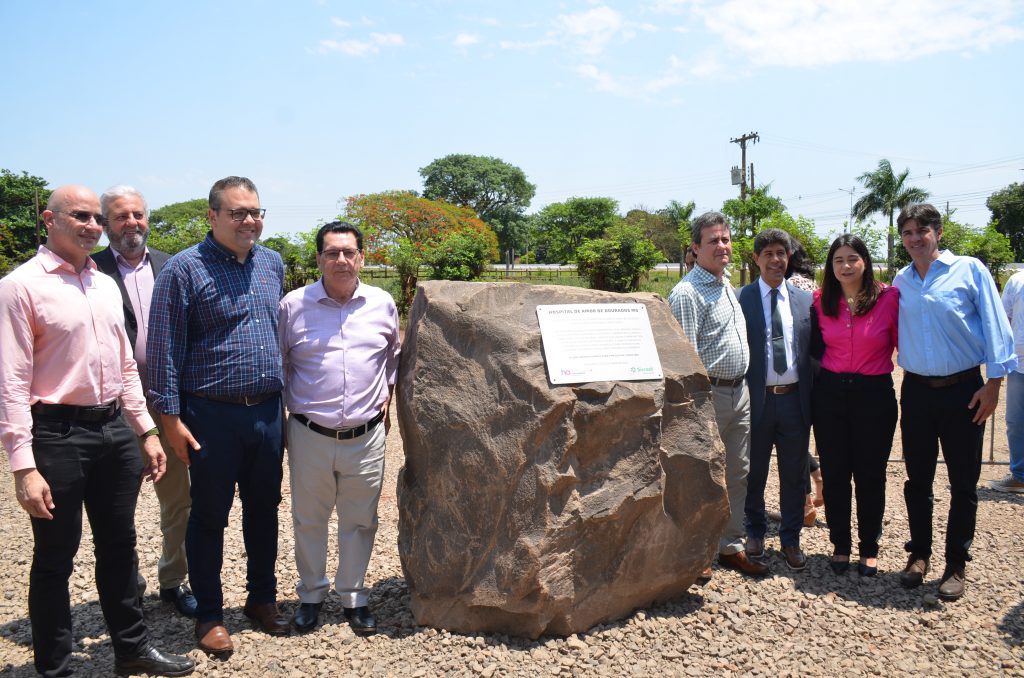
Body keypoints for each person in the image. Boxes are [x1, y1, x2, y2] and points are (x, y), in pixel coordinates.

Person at [0, 185, 194, 677]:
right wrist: (24, 467)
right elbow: (11, 382)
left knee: (119, 547)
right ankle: (56, 666)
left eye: (94, 219)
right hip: (57, 436)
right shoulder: (21, 287)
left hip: (113, 431)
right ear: (50, 220)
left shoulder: (103, 283)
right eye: (79, 216)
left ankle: (130, 650)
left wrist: (146, 432)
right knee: (55, 557)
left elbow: (126, 367)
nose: (91, 225)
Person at [148, 176, 288, 655]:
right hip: (210, 415)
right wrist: (170, 421)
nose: (249, 220)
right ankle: (209, 613)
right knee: (209, 516)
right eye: (237, 213)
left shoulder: (272, 264)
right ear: (212, 217)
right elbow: (164, 350)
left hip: (268, 411)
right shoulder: (184, 270)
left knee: (264, 509)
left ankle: (262, 598)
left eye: (255, 211)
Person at [280, 222, 400, 636]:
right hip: (310, 432)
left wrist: (387, 394)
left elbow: (393, 358)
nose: (341, 260)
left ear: (362, 257)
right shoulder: (293, 305)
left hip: (366, 435)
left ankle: (354, 596)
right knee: (308, 519)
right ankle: (311, 595)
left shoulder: (382, 303)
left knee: (360, 520)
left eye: (349, 252)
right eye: (332, 253)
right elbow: (282, 363)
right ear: (319, 260)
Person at [894, 203, 1016, 601]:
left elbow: (997, 326)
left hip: (965, 391)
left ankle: (956, 563)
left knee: (964, 483)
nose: (915, 238)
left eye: (922, 230)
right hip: (915, 393)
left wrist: (994, 384)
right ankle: (919, 555)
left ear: (938, 232)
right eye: (908, 233)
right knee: (918, 480)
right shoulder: (901, 280)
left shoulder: (970, 270)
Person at [93, 185, 196, 617]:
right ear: (104, 224)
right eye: (120, 216)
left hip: (167, 403)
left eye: (137, 214)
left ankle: (173, 580)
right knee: (117, 505)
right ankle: (126, 584)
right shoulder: (88, 270)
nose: (131, 223)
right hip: (114, 411)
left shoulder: (170, 267)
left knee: (178, 499)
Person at [668, 212, 768, 578]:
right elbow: (686, 359)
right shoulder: (687, 293)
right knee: (700, 476)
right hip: (707, 397)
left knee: (738, 473)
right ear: (695, 248)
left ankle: (730, 545)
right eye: (713, 241)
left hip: (739, 393)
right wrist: (694, 412)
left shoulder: (725, 283)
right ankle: (696, 554)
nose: (722, 246)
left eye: (726, 239)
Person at [810, 234, 899, 577]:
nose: (845, 266)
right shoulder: (820, 301)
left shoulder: (889, 298)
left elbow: (905, 343)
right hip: (830, 395)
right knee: (834, 474)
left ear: (865, 261)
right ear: (830, 267)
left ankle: (869, 548)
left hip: (873, 394)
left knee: (870, 475)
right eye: (838, 260)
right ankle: (840, 545)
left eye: (852, 259)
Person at [738, 229, 814, 572]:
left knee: (794, 473)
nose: (775, 260)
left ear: (789, 258)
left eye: (781, 253)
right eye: (767, 253)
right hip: (757, 401)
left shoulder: (805, 301)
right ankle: (754, 531)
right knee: (754, 470)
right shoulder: (742, 299)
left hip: (795, 401)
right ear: (756, 259)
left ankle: (790, 537)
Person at [783, 236, 825, 521]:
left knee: (793, 441)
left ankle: (805, 502)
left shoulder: (790, 288)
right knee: (797, 439)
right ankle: (817, 480)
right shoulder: (813, 286)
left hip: (797, 372)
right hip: (817, 369)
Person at [991, 269, 1024, 493]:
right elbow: (1004, 318)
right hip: (1020, 364)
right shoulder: (1018, 279)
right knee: (1015, 422)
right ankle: (1020, 476)